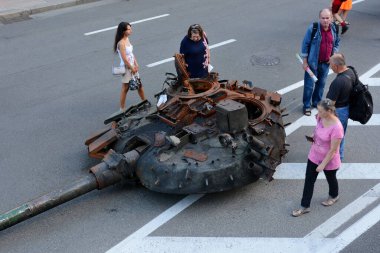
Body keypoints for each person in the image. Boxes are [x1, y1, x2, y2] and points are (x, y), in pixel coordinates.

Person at [292, 99, 344, 217]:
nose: (318, 113)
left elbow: (333, 150)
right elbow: (317, 129)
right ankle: (304, 206)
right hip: (314, 155)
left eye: (321, 111)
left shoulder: (337, 128)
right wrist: (313, 135)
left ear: (329, 111)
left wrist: (322, 165)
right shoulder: (320, 117)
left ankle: (334, 195)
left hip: (329, 159)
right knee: (309, 181)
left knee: (331, 178)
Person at [300, 8, 340, 116]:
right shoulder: (312, 28)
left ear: (331, 18)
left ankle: (316, 103)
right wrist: (304, 62)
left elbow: (336, 44)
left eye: (327, 18)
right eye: (323, 18)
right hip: (312, 63)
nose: (325, 20)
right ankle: (307, 106)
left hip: (326, 63)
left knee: (321, 85)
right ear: (319, 18)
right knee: (309, 85)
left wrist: (332, 56)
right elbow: (305, 45)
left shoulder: (334, 28)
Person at [326, 53, 354, 161]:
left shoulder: (338, 82)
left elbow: (330, 103)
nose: (330, 67)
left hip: (338, 112)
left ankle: (334, 158)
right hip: (346, 108)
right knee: (340, 135)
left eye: (331, 65)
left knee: (334, 137)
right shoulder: (351, 72)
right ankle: (340, 156)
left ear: (336, 66)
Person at [113, 22, 146, 112]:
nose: (131, 30)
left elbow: (131, 54)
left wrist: (136, 63)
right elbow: (124, 59)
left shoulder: (127, 39)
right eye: (129, 29)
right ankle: (122, 109)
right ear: (123, 31)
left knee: (139, 85)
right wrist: (132, 68)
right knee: (125, 88)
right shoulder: (121, 43)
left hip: (132, 67)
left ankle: (144, 101)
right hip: (126, 68)